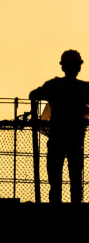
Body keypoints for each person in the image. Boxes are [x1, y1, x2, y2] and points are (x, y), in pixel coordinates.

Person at [29, 50, 89, 203]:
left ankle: (55, 206)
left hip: (57, 137)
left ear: (63, 67)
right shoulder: (84, 88)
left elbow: (33, 94)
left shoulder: (54, 86)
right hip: (75, 139)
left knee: (55, 176)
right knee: (75, 176)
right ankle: (76, 206)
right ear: (79, 67)